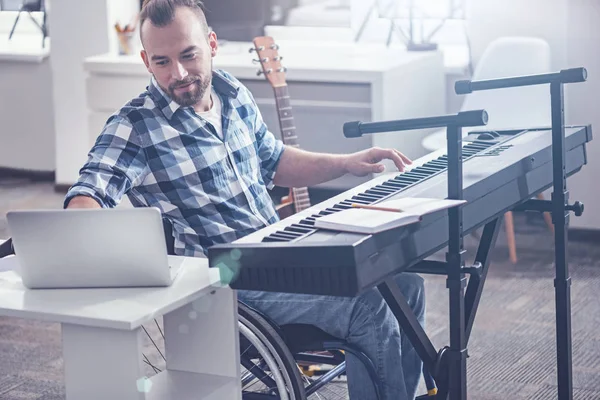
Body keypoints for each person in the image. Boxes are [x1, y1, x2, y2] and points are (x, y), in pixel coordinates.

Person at [64, 0, 426, 398]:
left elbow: (275, 161)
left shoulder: (230, 92)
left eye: (188, 55)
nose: (179, 74)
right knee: (370, 306)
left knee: (404, 284)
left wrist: (348, 163)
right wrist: (81, 231)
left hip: (280, 253)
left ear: (212, 44)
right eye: (162, 62)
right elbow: (89, 192)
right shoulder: (135, 126)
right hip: (226, 285)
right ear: (146, 61)